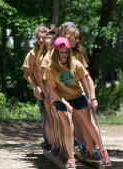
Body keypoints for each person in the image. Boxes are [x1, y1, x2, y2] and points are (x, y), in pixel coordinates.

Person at [45, 37, 110, 168]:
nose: (64, 55)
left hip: (77, 96)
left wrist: (92, 98)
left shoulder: (75, 63)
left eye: (66, 52)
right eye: (61, 52)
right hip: (61, 98)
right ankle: (71, 158)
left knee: (90, 123)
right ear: (56, 52)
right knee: (68, 127)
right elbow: (52, 89)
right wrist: (65, 103)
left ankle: (103, 152)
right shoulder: (50, 68)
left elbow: (87, 81)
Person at [23, 25, 50, 149]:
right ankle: (47, 141)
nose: (41, 40)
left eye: (43, 38)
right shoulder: (32, 54)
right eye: (39, 38)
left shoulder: (51, 51)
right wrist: (36, 87)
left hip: (53, 89)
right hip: (41, 91)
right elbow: (27, 74)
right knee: (46, 115)